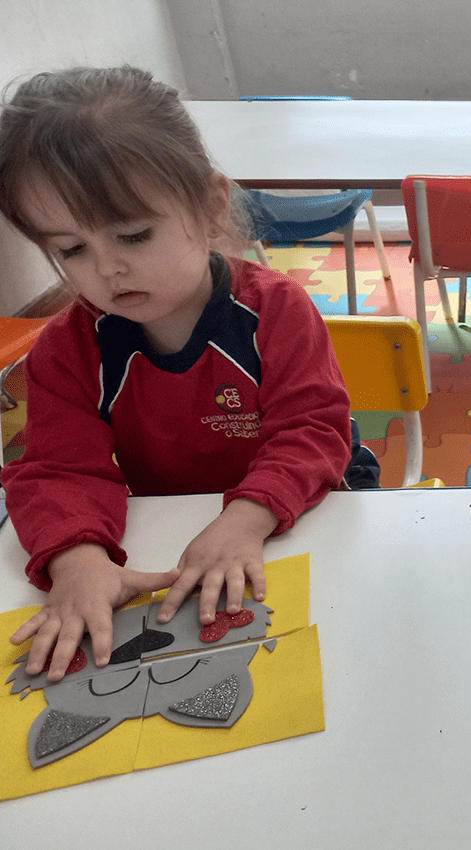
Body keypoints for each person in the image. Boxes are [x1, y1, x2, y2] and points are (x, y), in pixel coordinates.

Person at [0, 66, 379, 681]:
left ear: (209, 207)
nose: (108, 270)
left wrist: (245, 518)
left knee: (342, 654)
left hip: (299, 511)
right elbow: (59, 469)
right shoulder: (68, 350)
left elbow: (313, 433)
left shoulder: (275, 312)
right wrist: (77, 560)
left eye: (132, 235)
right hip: (173, 530)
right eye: (71, 249)